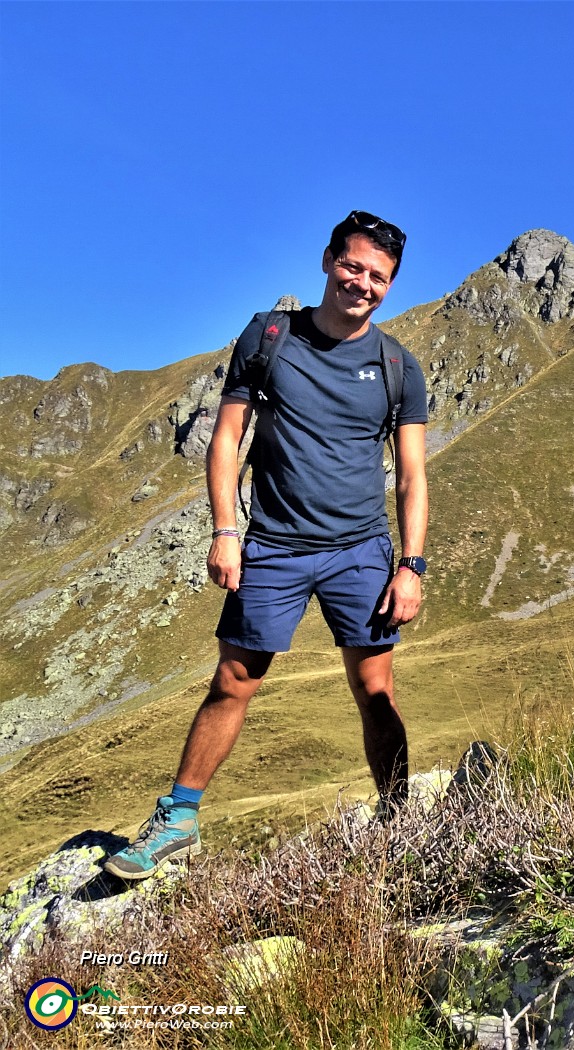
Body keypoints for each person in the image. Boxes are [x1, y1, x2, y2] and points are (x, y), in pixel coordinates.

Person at [105, 210, 430, 879]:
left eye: (379, 276)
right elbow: (227, 439)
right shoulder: (270, 335)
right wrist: (226, 531)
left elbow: (414, 476)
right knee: (234, 680)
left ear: (390, 284)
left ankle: (400, 820)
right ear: (327, 261)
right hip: (274, 547)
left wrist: (412, 566)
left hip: (361, 551)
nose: (362, 283)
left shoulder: (400, 366)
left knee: (376, 688)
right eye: (353, 266)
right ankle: (179, 819)